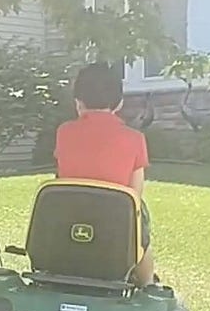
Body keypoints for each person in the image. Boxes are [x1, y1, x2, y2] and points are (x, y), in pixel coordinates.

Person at [53, 62, 156, 286]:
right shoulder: (135, 138)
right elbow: (135, 193)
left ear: (78, 102)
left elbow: (62, 178)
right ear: (119, 102)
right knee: (141, 217)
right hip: (115, 221)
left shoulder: (64, 132)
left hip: (71, 215)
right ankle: (147, 282)